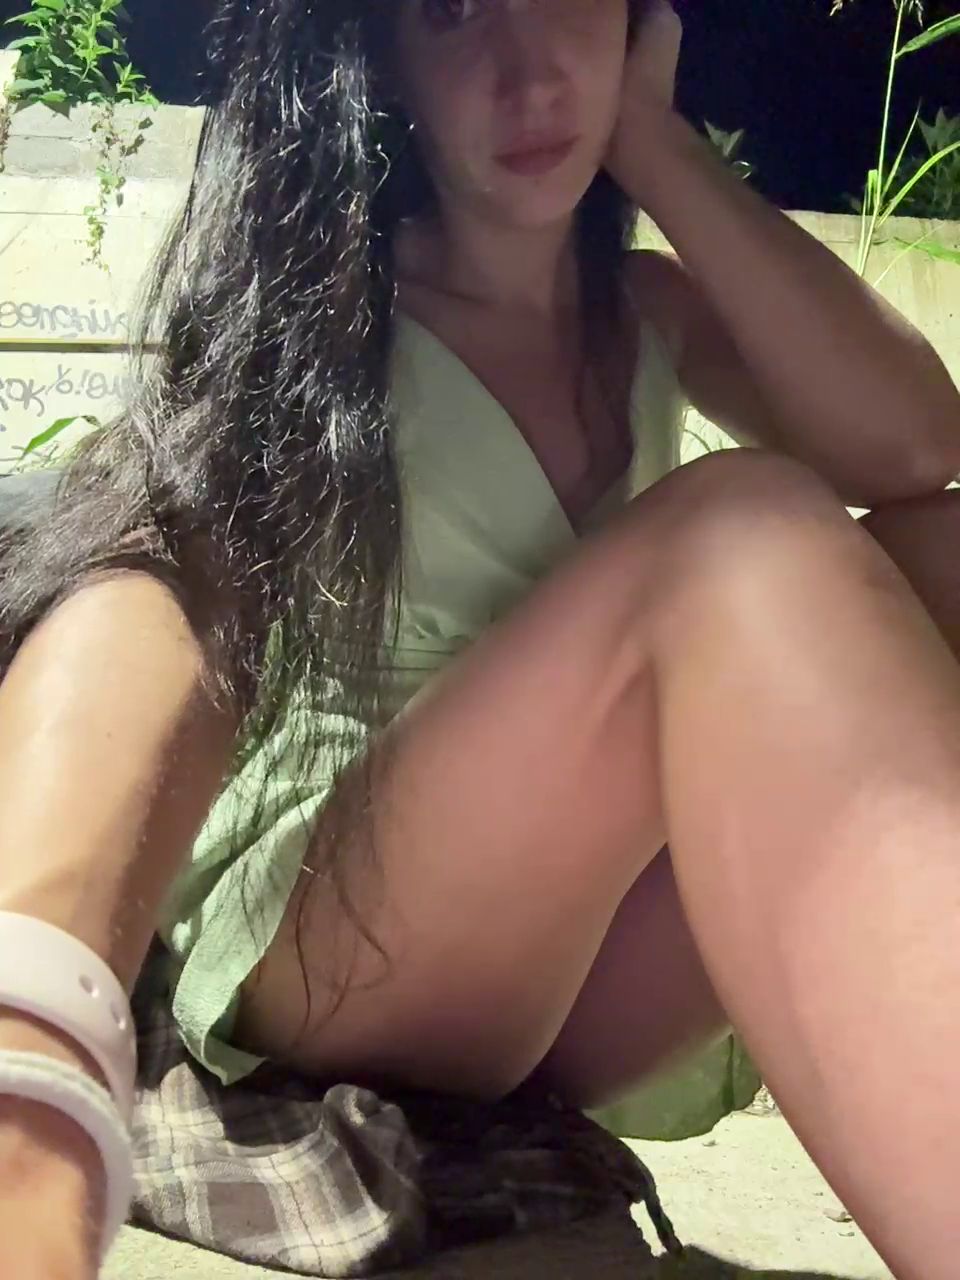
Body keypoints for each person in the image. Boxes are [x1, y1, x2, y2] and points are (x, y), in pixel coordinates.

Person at [1, 0, 959, 1275]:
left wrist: (654, 145)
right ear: (386, 64)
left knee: (939, 555)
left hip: (566, 967)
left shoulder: (650, 312)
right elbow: (166, 591)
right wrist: (40, 1009)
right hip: (335, 927)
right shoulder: (330, 308)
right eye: (453, 13)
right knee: (742, 529)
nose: (529, 71)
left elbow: (917, 445)